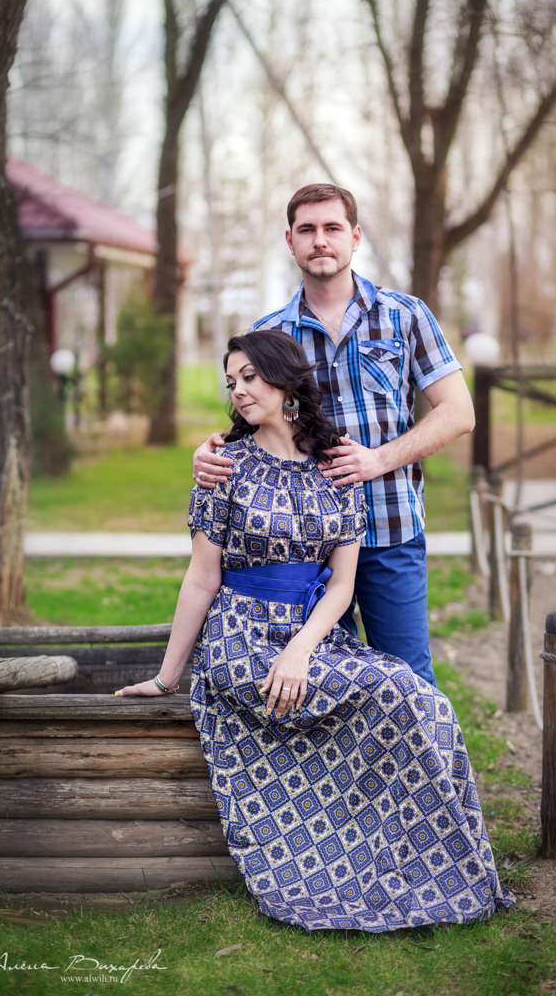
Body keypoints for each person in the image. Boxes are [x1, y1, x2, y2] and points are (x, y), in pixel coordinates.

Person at [116, 330, 512, 933]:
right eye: (231, 381)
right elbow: (200, 581)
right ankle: (323, 868)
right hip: (242, 640)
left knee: (417, 697)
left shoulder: (336, 470)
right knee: (394, 694)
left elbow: (341, 588)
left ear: (284, 379)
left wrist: (302, 647)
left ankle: (434, 867)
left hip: (311, 637)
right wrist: (169, 677)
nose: (239, 390)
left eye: (250, 376)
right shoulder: (225, 470)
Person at [192, 183, 476, 689]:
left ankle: (427, 770)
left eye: (332, 228)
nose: (320, 240)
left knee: (410, 679)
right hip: (304, 544)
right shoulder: (271, 333)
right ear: (290, 240)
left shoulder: (405, 316)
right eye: (307, 230)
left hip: (390, 528)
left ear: (355, 236)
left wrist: (378, 460)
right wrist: (209, 451)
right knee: (319, 683)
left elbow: (458, 412)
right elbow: (249, 422)